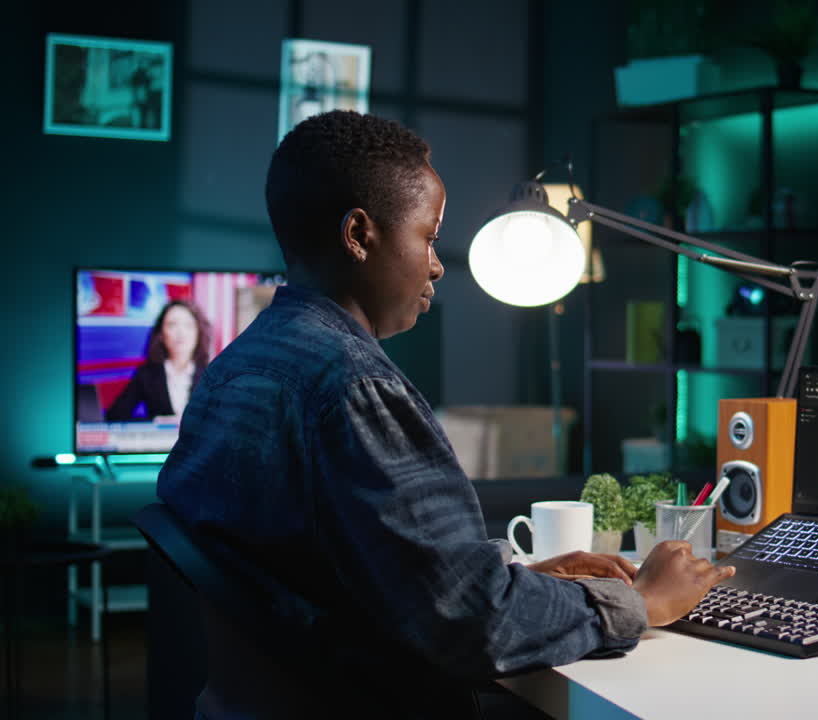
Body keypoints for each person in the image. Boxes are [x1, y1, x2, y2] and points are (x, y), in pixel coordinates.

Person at [157, 110, 733, 718]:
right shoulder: (355, 387)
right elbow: (470, 626)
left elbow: (335, 567)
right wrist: (641, 603)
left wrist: (516, 579)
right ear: (359, 234)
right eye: (429, 237)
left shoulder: (230, 371)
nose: (436, 265)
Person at [105, 299, 210, 422]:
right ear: (161, 334)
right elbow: (115, 415)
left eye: (188, 325)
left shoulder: (212, 375)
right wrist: (155, 422)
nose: (180, 332)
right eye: (172, 325)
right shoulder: (147, 374)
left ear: (198, 332)